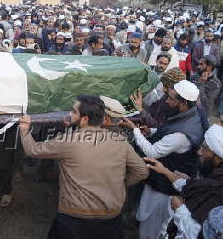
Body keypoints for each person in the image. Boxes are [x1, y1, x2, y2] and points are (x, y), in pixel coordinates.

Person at [19, 95, 149, 239]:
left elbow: (33, 150)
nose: (69, 114)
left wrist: (24, 130)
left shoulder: (69, 141)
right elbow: (142, 171)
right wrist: (120, 185)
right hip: (110, 219)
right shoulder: (120, 141)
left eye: (74, 111)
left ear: (85, 119)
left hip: (74, 219)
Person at [120, 80, 205, 239]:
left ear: (183, 103)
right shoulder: (192, 113)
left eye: (172, 99)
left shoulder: (182, 134)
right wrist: (152, 131)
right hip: (165, 177)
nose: (167, 101)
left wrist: (134, 130)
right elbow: (167, 130)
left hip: (164, 184)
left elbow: (152, 152)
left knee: (153, 223)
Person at [144, 122, 223, 238]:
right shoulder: (215, 177)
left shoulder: (216, 197)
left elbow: (200, 234)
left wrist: (180, 210)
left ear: (217, 156)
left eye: (204, 148)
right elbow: (199, 186)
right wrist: (165, 171)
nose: (199, 152)